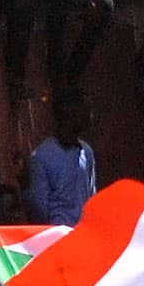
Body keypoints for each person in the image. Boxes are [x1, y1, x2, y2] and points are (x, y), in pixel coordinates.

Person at [24, 91, 97, 226]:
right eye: (84, 110)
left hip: (84, 236)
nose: (90, 115)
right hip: (59, 238)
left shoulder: (86, 152)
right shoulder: (42, 157)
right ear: (69, 113)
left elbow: (92, 196)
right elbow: (39, 206)